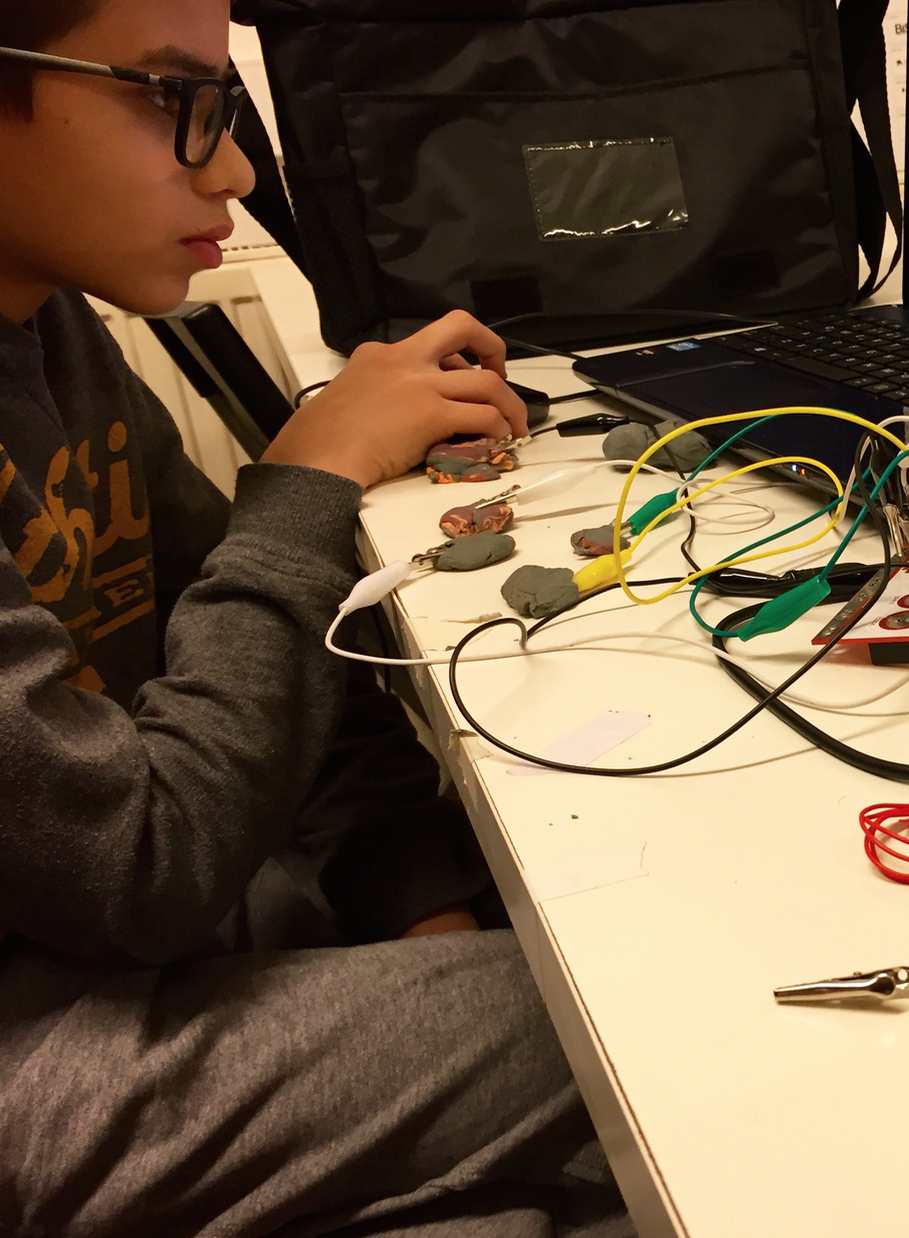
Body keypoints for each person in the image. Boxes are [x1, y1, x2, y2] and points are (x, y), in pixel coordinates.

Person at [0, 2, 635, 1235]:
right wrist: (310, 477)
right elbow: (141, 866)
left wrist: (417, 900)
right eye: (174, 98)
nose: (235, 169)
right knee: (631, 1013)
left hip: (118, 918)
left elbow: (279, 651)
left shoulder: (49, 325)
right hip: (46, 1031)